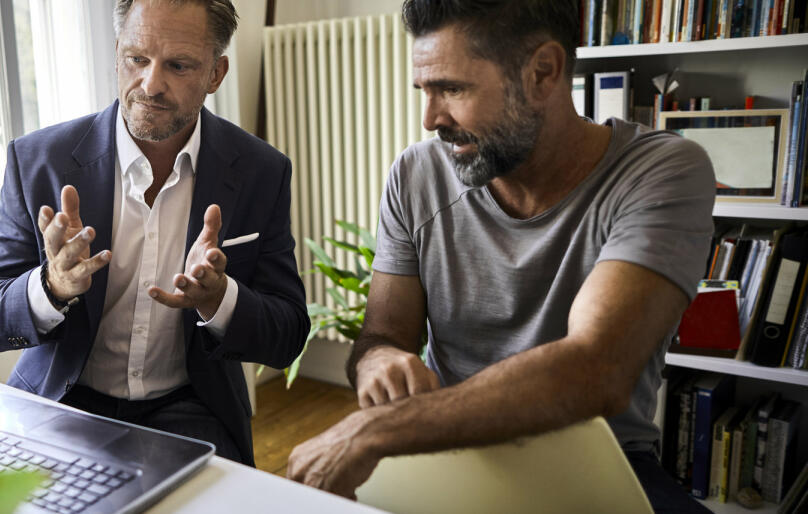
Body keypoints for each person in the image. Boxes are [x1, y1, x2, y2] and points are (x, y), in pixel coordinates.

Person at [286, 1, 715, 512]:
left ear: (542, 72)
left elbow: (595, 368)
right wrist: (379, 360)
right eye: (424, 91)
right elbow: (384, 334)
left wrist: (375, 429)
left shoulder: (662, 170)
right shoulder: (416, 174)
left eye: (452, 89)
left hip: (597, 460)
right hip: (441, 447)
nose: (430, 119)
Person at [0, 0, 308, 466]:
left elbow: (287, 335)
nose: (150, 84)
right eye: (136, 59)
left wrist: (219, 298)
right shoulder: (39, 161)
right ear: (116, 52)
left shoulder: (262, 171)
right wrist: (52, 287)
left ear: (216, 74)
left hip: (194, 408)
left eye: (178, 65)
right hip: (64, 402)